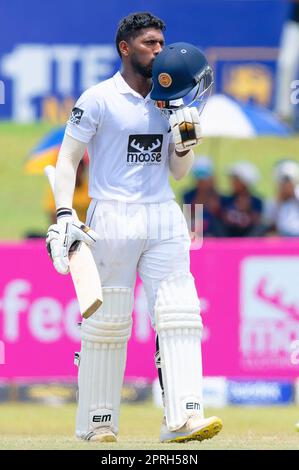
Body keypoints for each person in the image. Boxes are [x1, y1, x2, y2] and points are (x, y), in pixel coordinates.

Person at [46, 12, 222, 444]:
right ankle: (97, 423)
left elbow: (179, 172)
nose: (159, 50)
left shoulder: (176, 99)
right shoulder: (99, 98)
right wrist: (65, 213)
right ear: (125, 48)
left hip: (163, 213)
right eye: (149, 43)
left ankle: (183, 417)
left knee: (179, 313)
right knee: (108, 322)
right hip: (113, 214)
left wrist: (185, 144)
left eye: (162, 42)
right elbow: (67, 159)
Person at [183, 156, 226, 237]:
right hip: (196, 235)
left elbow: (221, 216)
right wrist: (201, 193)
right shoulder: (188, 195)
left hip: (216, 235)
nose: (202, 181)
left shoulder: (218, 196)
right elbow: (190, 215)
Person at [221, 161, 264, 237]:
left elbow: (257, 222)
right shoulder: (226, 199)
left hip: (248, 238)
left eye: (235, 179)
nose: (232, 181)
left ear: (245, 182)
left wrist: (247, 210)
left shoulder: (256, 202)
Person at [263, 159, 299, 236]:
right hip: (283, 236)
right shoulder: (273, 201)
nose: (286, 185)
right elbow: (269, 221)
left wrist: (293, 196)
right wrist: (279, 201)